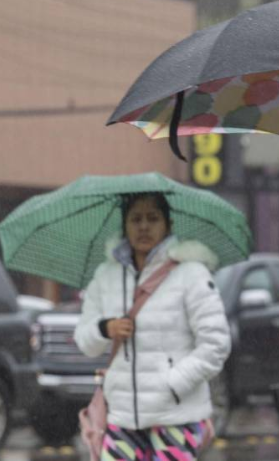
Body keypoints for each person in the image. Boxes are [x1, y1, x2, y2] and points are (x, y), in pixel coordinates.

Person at [75, 192, 230, 461]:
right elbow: (84, 342)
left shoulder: (191, 274)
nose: (143, 226)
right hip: (122, 416)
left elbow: (216, 344)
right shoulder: (106, 276)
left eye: (152, 218)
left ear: (168, 225)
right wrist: (105, 329)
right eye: (135, 219)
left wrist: (171, 383)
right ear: (124, 226)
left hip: (176, 415)